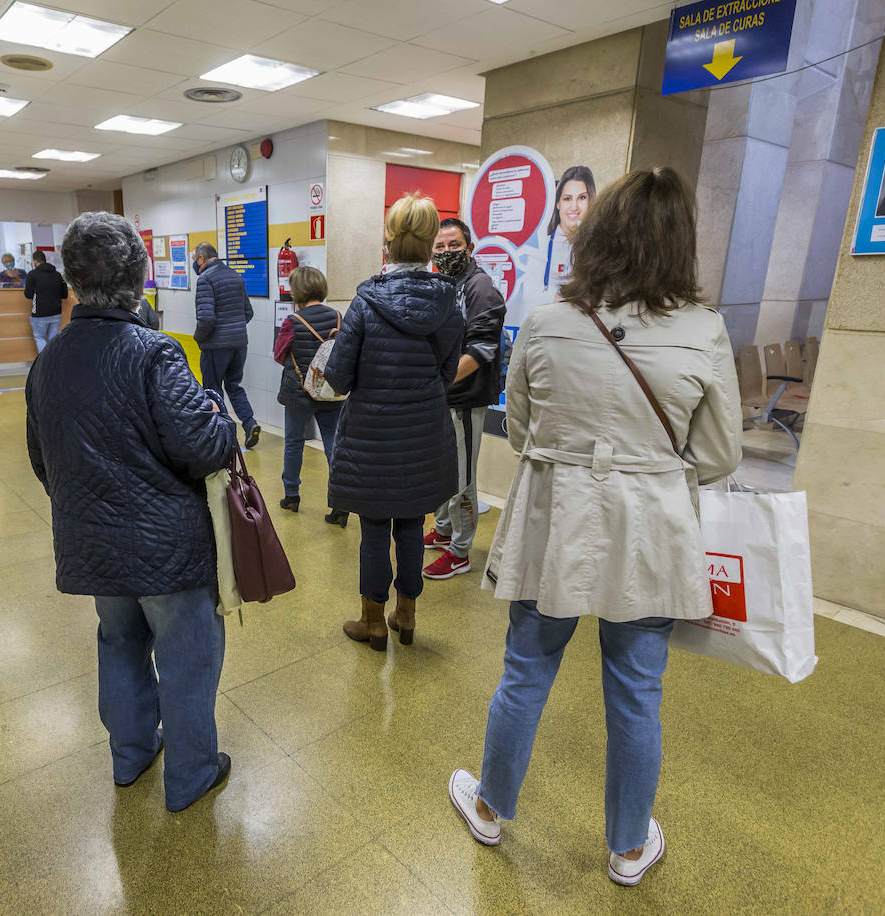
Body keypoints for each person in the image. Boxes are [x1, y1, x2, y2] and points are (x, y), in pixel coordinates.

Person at [446, 167, 742, 888]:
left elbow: (517, 427)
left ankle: (490, 806)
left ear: (598, 228)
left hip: (556, 517)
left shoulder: (548, 319)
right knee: (638, 690)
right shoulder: (704, 329)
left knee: (527, 668)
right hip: (651, 530)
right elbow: (719, 452)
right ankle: (628, 847)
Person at [26, 212, 237, 812]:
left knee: (118, 643)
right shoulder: (154, 353)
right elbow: (201, 449)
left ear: (71, 280)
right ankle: (192, 774)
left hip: (94, 544)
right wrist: (223, 421)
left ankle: (132, 755)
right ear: (140, 278)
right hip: (168, 548)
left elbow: (44, 463)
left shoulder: (48, 361)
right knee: (187, 659)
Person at [324, 194, 464, 650]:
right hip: (425, 435)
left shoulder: (365, 303)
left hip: (372, 437)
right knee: (410, 526)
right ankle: (406, 614)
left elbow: (339, 378)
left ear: (387, 243)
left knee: (373, 532)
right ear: (430, 247)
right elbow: (446, 376)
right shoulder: (450, 304)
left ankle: (372, 620)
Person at [424, 217, 507, 579]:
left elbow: (483, 347)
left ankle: (461, 551)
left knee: (462, 477)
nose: (446, 253)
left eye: (454, 245)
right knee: (441, 470)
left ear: (470, 248)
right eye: (440, 247)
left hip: (465, 397)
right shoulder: (444, 285)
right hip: (443, 398)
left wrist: (440, 384)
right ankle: (443, 530)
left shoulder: (481, 287)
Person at [272, 266, 347, 526]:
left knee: (294, 442)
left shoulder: (292, 321)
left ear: (297, 291)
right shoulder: (338, 317)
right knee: (334, 444)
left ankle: (291, 495)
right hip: (332, 391)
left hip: (299, 392)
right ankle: (340, 503)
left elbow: (279, 354)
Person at [193, 243, 261, 449]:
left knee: (213, 391)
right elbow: (248, 312)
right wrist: (234, 328)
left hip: (215, 346)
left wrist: (198, 338)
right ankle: (250, 423)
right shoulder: (235, 276)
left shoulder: (205, 279)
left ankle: (224, 437)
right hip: (239, 344)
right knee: (234, 386)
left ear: (202, 259)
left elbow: (206, 319)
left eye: (195, 259)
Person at [543, 165, 596, 297]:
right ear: (558, 203)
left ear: (591, 201)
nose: (574, 207)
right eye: (567, 198)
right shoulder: (540, 244)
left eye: (582, 198)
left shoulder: (599, 247)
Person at [24, 250, 68, 354]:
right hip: (56, 313)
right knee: (53, 340)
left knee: (40, 338)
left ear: (35, 261)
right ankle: (53, 363)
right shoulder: (57, 275)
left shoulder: (32, 275)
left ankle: (45, 364)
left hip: (39, 314)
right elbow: (64, 295)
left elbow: (28, 294)